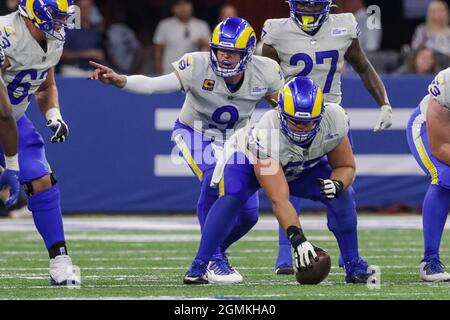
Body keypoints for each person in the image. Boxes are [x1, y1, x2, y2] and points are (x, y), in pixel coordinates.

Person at [88, 17, 284, 284]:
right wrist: (121, 80)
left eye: (232, 52)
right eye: (220, 50)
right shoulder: (197, 64)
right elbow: (156, 84)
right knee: (213, 177)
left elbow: (282, 110)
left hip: (237, 140)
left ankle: (214, 251)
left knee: (249, 214)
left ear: (248, 53)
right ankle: (212, 259)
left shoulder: (266, 71)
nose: (225, 57)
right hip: (194, 132)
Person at [184, 77, 373, 284]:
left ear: (320, 116)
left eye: (307, 121)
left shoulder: (334, 118)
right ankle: (200, 265)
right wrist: (298, 239)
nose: (301, 127)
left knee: (342, 195)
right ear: (281, 113)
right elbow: (279, 199)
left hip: (301, 166)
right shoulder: (268, 131)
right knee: (234, 195)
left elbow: (345, 166)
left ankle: (353, 262)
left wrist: (337, 184)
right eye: (295, 120)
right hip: (248, 159)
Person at [261, 0, 393, 274]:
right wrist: (287, 112)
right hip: (291, 121)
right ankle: (286, 253)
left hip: (331, 119)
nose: (309, 9)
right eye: (304, 4)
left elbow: (364, 67)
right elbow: (265, 80)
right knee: (285, 186)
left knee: (340, 187)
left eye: (314, 4)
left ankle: (350, 254)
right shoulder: (276, 32)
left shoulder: (344, 25)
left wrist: (384, 102)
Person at [0, 0, 80, 286]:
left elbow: (45, 86)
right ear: (37, 13)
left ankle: (60, 260)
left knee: (42, 179)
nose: (62, 23)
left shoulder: (52, 41)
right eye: (57, 16)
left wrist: (54, 115)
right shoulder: (5, 35)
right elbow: (3, 113)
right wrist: (10, 165)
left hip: (12, 119)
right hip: (4, 116)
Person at [406, 67, 450, 282]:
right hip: (429, 128)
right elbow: (440, 147)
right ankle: (429, 261)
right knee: (445, 177)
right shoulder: (447, 84)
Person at [153, 0, 211, 75]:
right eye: (178, 4)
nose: (182, 8)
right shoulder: (164, 25)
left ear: (191, 6)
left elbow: (210, 51)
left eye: (186, 3)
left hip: (195, 74)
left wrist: (203, 44)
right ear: (173, 8)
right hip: (169, 72)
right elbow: (158, 50)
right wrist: (158, 70)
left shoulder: (202, 25)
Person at [60, 0, 105, 77]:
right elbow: (61, 55)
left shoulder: (95, 30)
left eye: (89, 7)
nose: (87, 11)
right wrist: (87, 54)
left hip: (90, 71)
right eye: (83, 8)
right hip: (71, 71)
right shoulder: (68, 29)